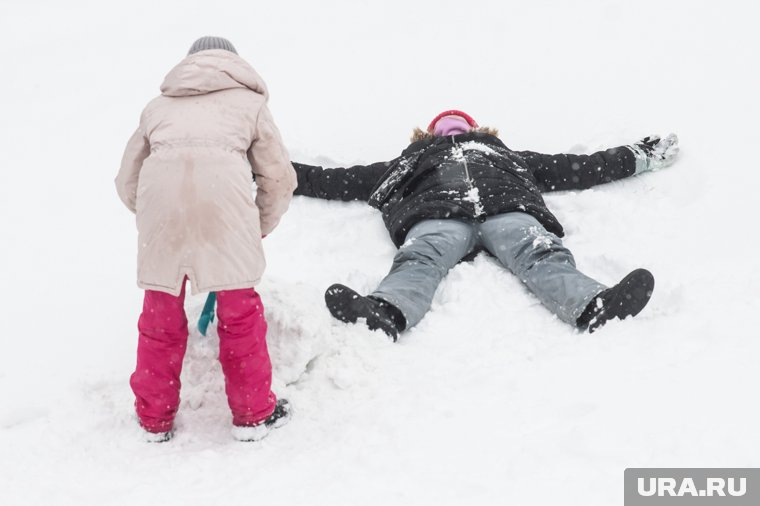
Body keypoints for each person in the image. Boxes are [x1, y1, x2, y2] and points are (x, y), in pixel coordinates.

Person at [293, 110, 679, 340]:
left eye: (460, 124)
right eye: (444, 126)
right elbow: (330, 179)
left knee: (539, 252)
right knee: (420, 259)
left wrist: (639, 155)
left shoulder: (509, 156)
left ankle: (594, 305)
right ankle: (384, 313)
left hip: (507, 210)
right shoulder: (404, 163)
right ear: (426, 135)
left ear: (480, 131)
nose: (453, 129)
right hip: (438, 216)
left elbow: (582, 168)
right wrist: (265, 171)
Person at [115, 36, 297, 442]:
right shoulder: (250, 106)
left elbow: (127, 179)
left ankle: (153, 419)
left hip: (162, 214)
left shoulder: (157, 108)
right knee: (239, 315)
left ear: (189, 64)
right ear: (234, 62)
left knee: (159, 318)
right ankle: (252, 414)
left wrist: (156, 217)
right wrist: (260, 224)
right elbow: (278, 178)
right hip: (225, 211)